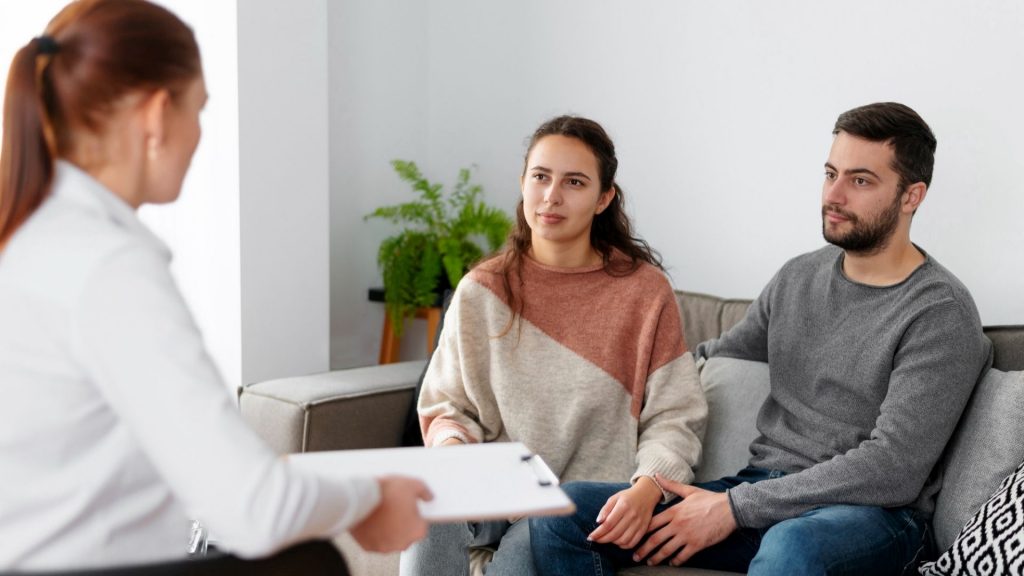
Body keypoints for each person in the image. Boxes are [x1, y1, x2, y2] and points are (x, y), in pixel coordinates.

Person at [0, 0, 430, 570]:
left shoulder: (32, 237)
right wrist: (373, 496)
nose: (199, 134)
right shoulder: (107, 267)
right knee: (311, 561)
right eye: (198, 110)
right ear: (156, 115)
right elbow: (253, 512)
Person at [530, 102, 993, 576]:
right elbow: (705, 360)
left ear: (911, 196)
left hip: (868, 515)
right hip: (758, 491)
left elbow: (892, 468)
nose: (833, 195)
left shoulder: (939, 313)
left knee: (795, 547)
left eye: (860, 181)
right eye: (830, 173)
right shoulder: (798, 278)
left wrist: (734, 508)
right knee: (565, 512)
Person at [399, 115, 708, 576]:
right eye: (540, 177)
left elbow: (674, 418)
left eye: (575, 182)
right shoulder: (481, 290)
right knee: (428, 499)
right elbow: (447, 405)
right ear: (523, 182)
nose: (551, 196)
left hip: (574, 506)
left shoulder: (644, 293)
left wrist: (646, 489)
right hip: (493, 487)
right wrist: (452, 453)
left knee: (535, 544)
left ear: (604, 198)